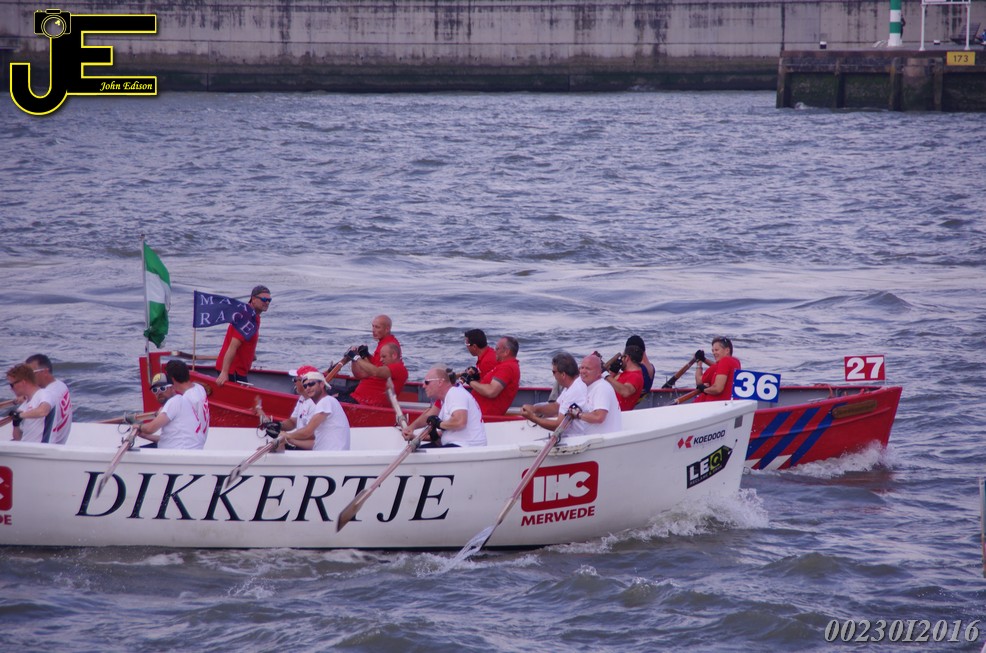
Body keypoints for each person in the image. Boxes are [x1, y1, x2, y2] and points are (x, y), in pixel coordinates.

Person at [402, 366, 486, 447]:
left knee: (418, 455)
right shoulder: (445, 399)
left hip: (466, 446)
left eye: (427, 382)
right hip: (458, 444)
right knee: (418, 452)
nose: (423, 385)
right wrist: (415, 437)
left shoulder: (455, 394)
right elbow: (443, 434)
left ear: (440, 382)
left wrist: (439, 424)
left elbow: (460, 422)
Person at [215, 285, 271, 386]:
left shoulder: (255, 316)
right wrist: (224, 373)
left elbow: (248, 339)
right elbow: (233, 346)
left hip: (240, 370)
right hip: (232, 371)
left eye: (269, 300)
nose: (267, 302)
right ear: (253, 299)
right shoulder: (245, 317)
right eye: (264, 299)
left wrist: (251, 355)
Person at [520, 352, 588, 437]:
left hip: (577, 437)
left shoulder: (574, 391)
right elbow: (556, 406)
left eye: (554, 372)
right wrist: (534, 409)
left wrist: (532, 418)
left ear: (563, 374)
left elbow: (558, 426)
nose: (553, 375)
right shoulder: (572, 386)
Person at [280, 371, 351, 451]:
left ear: (322, 384)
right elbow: (313, 444)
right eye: (305, 386)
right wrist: (289, 440)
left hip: (331, 456)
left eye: (311, 384)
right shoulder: (326, 402)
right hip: (324, 454)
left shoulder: (326, 401)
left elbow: (307, 432)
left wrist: (287, 435)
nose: (308, 388)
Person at [136, 373, 204, 449]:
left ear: (172, 388)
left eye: (163, 388)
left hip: (182, 453)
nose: (159, 392)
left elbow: (150, 428)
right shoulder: (180, 400)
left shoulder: (173, 402)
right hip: (186, 449)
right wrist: (145, 436)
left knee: (133, 453)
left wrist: (138, 427)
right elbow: (167, 439)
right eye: (155, 390)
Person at [336, 342, 409, 407]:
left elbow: (375, 371)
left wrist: (355, 357)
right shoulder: (387, 369)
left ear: (394, 355)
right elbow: (365, 372)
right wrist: (364, 355)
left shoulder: (398, 368)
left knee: (330, 400)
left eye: (384, 356)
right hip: (358, 400)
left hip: (363, 404)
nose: (381, 360)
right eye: (381, 357)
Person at [464, 336, 521, 416]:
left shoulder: (507, 368)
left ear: (506, 352)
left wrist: (469, 381)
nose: (494, 351)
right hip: (476, 412)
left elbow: (491, 391)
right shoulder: (503, 366)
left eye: (497, 348)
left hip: (482, 417)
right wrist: (476, 378)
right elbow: (489, 385)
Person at [25, 353, 72, 444]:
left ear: (45, 372)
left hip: (49, 446)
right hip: (61, 441)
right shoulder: (60, 385)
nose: (27, 378)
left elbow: (43, 412)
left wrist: (20, 415)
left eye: (31, 374)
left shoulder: (49, 395)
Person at [5, 364, 56, 443]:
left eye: (12, 385)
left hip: (40, 448)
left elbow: (43, 411)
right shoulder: (23, 407)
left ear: (23, 382)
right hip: (26, 446)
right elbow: (17, 438)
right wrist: (16, 423)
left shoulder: (44, 394)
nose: (11, 389)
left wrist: (20, 415)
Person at [574, 354, 622, 435]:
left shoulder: (602, 388)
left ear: (599, 373)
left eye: (588, 368)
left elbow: (599, 417)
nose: (583, 371)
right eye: (582, 368)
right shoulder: (588, 386)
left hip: (604, 439)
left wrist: (578, 414)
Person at [165, 359, 209, 440]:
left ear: (172, 379)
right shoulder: (199, 388)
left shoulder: (186, 400)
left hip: (192, 441)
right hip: (202, 436)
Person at [693, 336, 742, 403]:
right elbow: (718, 367)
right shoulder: (736, 361)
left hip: (713, 405)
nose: (714, 353)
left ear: (727, 350)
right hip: (730, 402)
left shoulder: (725, 361)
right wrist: (704, 359)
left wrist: (699, 362)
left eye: (716, 350)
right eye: (713, 351)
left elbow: (716, 388)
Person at [604, 344, 645, 411]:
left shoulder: (636, 376)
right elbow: (607, 383)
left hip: (620, 414)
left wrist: (606, 375)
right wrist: (612, 372)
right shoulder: (623, 374)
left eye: (622, 357)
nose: (621, 360)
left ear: (627, 358)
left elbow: (626, 392)